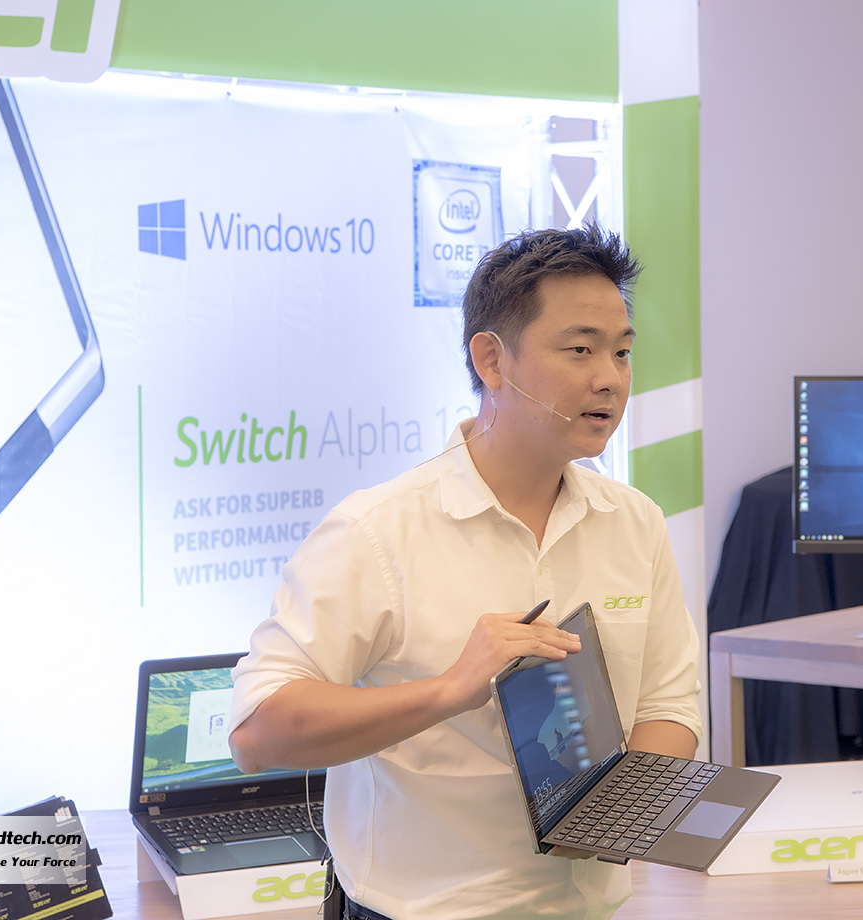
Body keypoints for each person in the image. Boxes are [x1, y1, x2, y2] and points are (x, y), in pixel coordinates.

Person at [227, 226, 701, 920]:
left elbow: (668, 707)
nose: (610, 377)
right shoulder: (377, 531)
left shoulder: (635, 522)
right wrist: (450, 689)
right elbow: (255, 731)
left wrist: (612, 817)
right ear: (492, 360)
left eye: (623, 352)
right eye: (580, 349)